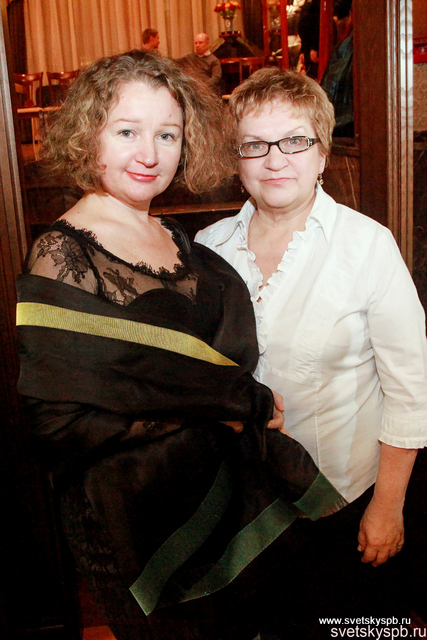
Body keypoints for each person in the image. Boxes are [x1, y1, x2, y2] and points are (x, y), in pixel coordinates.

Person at [16, 52, 345, 640]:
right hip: (132, 522)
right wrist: (225, 407)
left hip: (220, 498)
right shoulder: (62, 253)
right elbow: (57, 421)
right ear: (88, 135)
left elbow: (195, 368)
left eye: (167, 134)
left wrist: (230, 402)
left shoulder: (171, 234)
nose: (149, 154)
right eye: (127, 132)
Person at [196, 67, 427, 637]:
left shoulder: (367, 245)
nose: (275, 159)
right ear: (237, 159)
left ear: (323, 152)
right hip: (246, 507)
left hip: (343, 503)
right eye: (255, 144)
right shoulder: (207, 249)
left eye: (295, 141)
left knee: (359, 628)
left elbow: (410, 388)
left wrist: (388, 506)